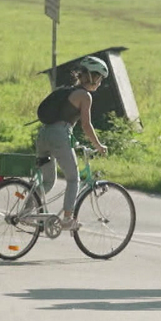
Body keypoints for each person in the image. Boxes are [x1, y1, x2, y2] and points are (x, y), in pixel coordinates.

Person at [33, 57, 109, 232]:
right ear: (92, 77)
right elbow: (86, 125)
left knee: (47, 182)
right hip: (59, 137)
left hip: (43, 135)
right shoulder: (85, 96)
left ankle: (26, 212)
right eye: (100, 79)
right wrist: (98, 145)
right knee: (74, 179)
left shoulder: (67, 91)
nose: (100, 83)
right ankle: (67, 219)